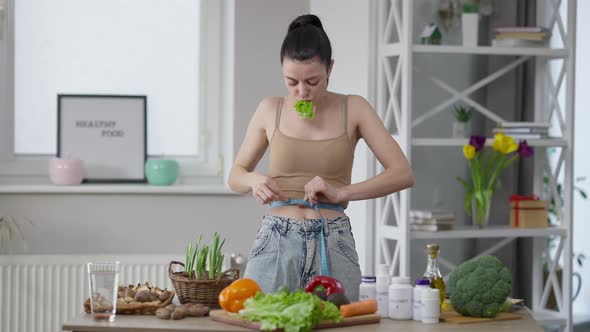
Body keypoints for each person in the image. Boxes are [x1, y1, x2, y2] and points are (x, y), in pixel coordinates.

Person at [228, 14, 414, 301]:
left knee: (341, 324)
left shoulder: (354, 108)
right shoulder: (269, 109)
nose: (302, 92)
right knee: (261, 321)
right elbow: (235, 176)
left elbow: (402, 173)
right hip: (276, 239)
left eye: (313, 81)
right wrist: (254, 180)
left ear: (330, 68)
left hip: (333, 238)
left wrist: (342, 192)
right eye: (292, 82)